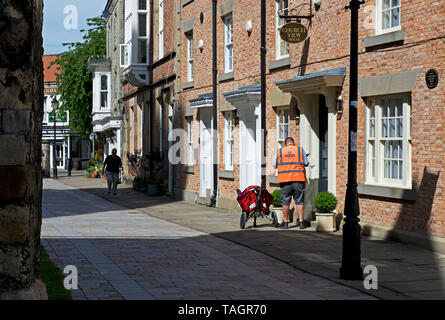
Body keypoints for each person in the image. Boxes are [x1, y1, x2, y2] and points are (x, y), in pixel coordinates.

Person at [273, 137, 309, 229]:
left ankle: (285, 223)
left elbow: (274, 165)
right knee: (299, 201)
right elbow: (306, 163)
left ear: (285, 144)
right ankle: (301, 222)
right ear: (293, 143)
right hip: (298, 179)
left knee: (285, 201)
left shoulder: (280, 151)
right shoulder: (300, 150)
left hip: (285, 180)